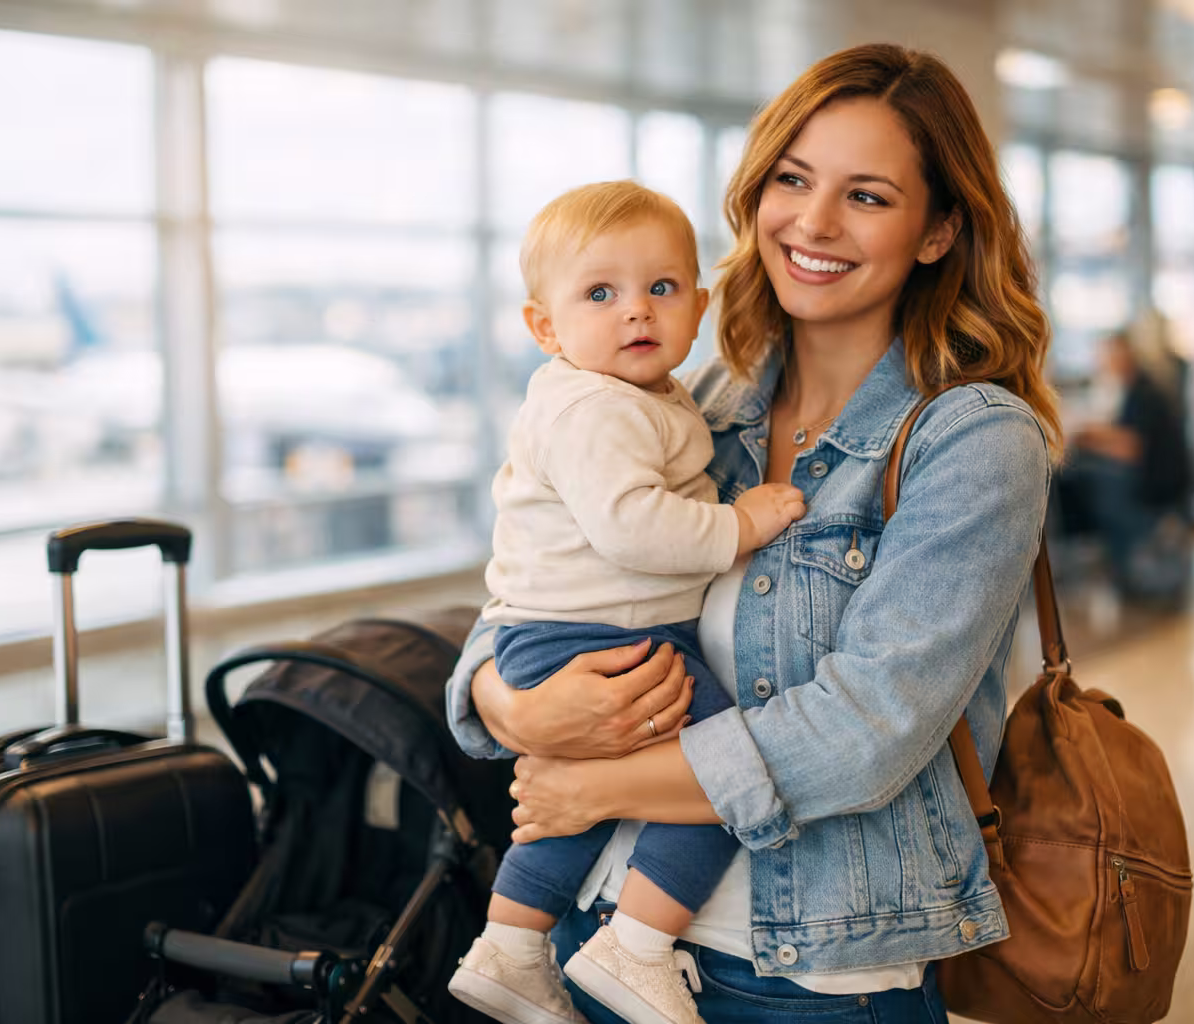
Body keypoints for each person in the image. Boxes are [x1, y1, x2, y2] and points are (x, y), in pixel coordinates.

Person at [447, 42, 1060, 1024]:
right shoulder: (700, 403)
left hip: (811, 976)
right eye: (793, 179)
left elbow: (866, 732)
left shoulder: (972, 439)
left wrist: (591, 786)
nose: (813, 223)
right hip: (598, 939)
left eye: (866, 196)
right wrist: (507, 705)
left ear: (940, 230)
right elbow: (542, 583)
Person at [447, 180, 808, 1024]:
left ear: (700, 305)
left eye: (662, 289)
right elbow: (634, 531)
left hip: (564, 634)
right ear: (545, 327)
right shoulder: (593, 408)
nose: (636, 312)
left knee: (582, 800)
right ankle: (636, 948)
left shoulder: (646, 396)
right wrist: (739, 523)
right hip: (597, 636)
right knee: (724, 775)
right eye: (600, 294)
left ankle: (508, 945)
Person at [1054, 330, 1189, 602]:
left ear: (1122, 356)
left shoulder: (1144, 394)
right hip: (1149, 474)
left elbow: (1131, 448)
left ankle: (1105, 563)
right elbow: (1123, 434)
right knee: (1079, 472)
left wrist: (1088, 439)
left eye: (1105, 357)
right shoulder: (1134, 389)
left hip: (1153, 484)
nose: (1101, 364)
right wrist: (1092, 434)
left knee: (1077, 477)